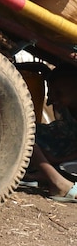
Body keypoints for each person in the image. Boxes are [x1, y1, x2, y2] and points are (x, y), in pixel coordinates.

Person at [23, 65, 77, 202]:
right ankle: (42, 173)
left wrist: (54, 160)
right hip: (57, 147)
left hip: (66, 156)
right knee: (26, 131)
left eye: (58, 93)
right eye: (50, 93)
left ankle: (53, 180)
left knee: (25, 136)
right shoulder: (65, 108)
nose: (51, 100)